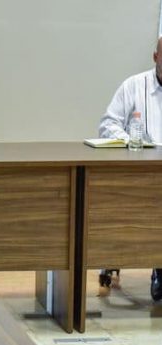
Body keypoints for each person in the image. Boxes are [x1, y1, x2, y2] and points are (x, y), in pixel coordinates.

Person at [97, 36, 162, 301]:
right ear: (156, 57)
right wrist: (132, 143)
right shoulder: (133, 86)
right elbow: (107, 125)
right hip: (138, 174)